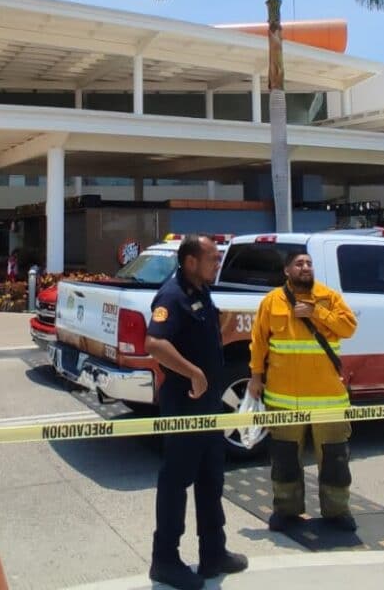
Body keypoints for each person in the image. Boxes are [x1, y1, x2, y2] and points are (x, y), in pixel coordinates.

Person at [145, 234, 247, 590]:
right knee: (176, 482)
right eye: (212, 259)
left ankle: (213, 553)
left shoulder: (200, 290)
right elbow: (154, 343)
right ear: (191, 262)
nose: (217, 264)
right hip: (185, 403)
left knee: (210, 479)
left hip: (209, 405)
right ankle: (165, 560)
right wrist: (194, 371)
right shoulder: (172, 295)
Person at [247, 250, 359, 532]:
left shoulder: (329, 297)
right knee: (284, 459)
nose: (305, 267)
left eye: (309, 263)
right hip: (284, 399)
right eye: (299, 264)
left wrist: (315, 312)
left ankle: (337, 511)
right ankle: (286, 511)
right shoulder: (272, 302)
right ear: (287, 270)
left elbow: (348, 328)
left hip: (328, 400)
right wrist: (255, 377)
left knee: (334, 459)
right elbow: (259, 341)